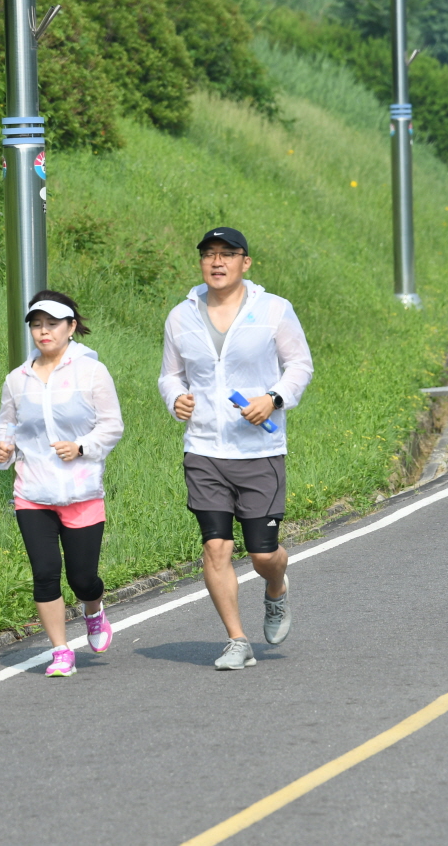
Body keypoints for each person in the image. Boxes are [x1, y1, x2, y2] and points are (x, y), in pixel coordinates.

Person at [159, 227, 313, 671]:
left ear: (245, 262)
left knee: (263, 554)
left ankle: (277, 587)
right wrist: (176, 398)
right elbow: (170, 375)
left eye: (227, 254)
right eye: (209, 254)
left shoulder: (273, 309)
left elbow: (299, 364)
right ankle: (236, 640)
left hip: (258, 450)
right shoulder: (181, 316)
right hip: (204, 450)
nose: (217, 261)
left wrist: (274, 398)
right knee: (216, 548)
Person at [0, 291, 123, 677]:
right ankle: (60, 651)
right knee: (45, 572)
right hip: (32, 492)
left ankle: (94, 609)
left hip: (80, 492)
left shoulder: (92, 372)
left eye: (52, 324)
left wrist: (82, 447)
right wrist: (3, 449)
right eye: (37, 324)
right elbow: (7, 424)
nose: (43, 331)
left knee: (83, 579)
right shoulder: (17, 380)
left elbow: (112, 426)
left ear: (71, 327)